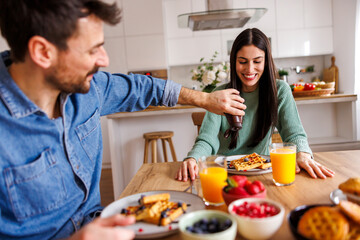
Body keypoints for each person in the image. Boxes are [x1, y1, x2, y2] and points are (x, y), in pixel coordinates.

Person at [0, 1, 245, 239]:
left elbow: (146, 88)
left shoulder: (90, 90)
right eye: (92, 50)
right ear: (43, 52)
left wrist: (205, 99)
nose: (104, 60)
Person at [176, 28, 335, 182]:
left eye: (257, 61)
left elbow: (294, 134)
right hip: (224, 176)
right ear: (234, 62)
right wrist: (192, 158)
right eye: (242, 61)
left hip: (264, 175)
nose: (249, 69)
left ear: (266, 61)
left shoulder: (280, 90)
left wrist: (303, 154)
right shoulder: (221, 94)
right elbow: (206, 139)